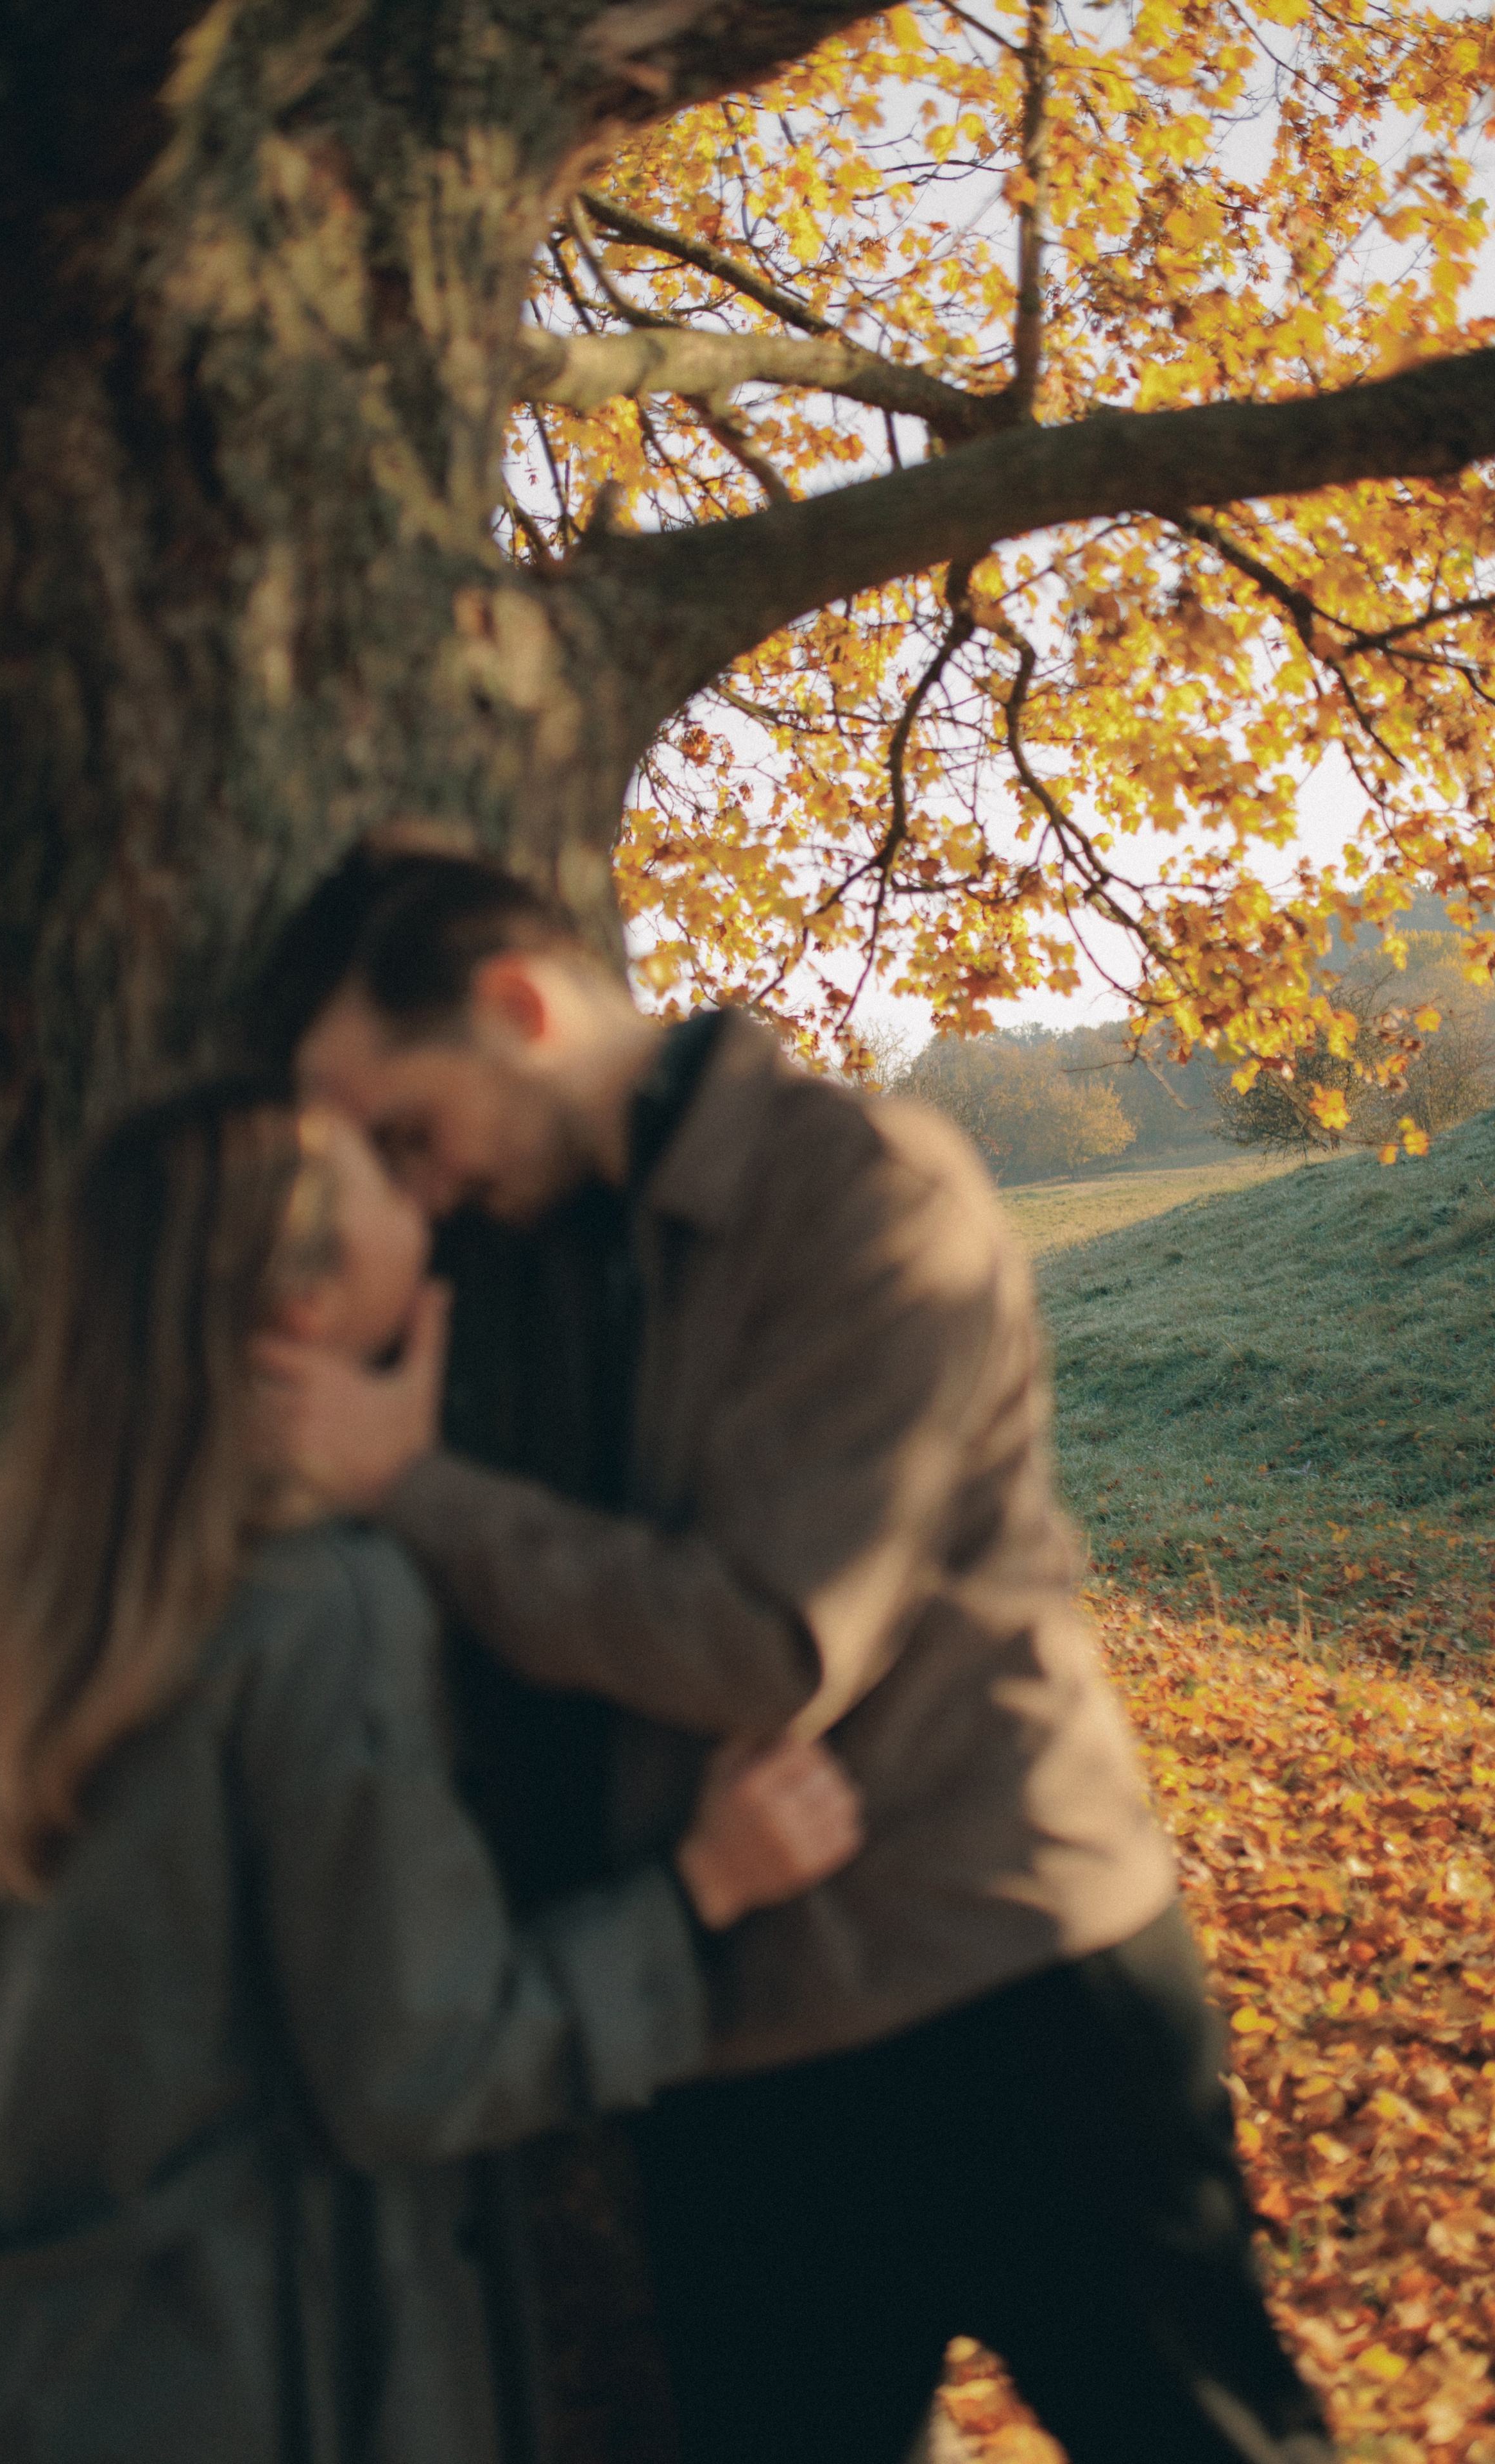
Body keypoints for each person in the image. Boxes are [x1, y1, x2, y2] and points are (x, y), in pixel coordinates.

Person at [255, 850, 1335, 2464]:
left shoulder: (860, 1187)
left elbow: (764, 1639)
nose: (409, 1186)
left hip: (1010, 1981)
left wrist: (408, 1485)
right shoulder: (524, 1248)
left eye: (406, 1130)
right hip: (744, 2047)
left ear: (516, 1008)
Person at [0, 1083, 862, 2464]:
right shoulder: (319, 1614)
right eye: (379, 1178)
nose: (426, 1196)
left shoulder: (46, 1605)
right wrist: (699, 1892)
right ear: (299, 1302)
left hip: (40, 2368)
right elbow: (419, 2065)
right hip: (256, 2382)